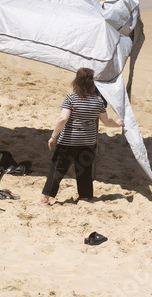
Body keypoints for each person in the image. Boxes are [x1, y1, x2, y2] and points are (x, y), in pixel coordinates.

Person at [38, 68, 124, 205]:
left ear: (76, 82)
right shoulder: (98, 101)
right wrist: (118, 124)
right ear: (92, 84)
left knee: (57, 168)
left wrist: (53, 136)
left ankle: (44, 199)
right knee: (84, 169)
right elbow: (107, 121)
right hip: (89, 142)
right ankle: (85, 197)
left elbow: (62, 119)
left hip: (69, 141)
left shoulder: (71, 98)